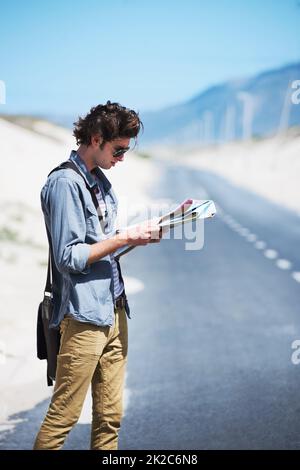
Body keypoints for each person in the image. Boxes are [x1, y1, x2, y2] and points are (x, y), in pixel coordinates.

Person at [34, 101, 161, 450]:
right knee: (64, 417)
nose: (122, 158)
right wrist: (124, 237)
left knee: (110, 418)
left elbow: (103, 248)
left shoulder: (100, 182)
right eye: (118, 149)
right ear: (95, 138)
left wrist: (138, 239)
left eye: (126, 150)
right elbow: (68, 257)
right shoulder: (64, 184)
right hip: (83, 316)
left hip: (116, 310)